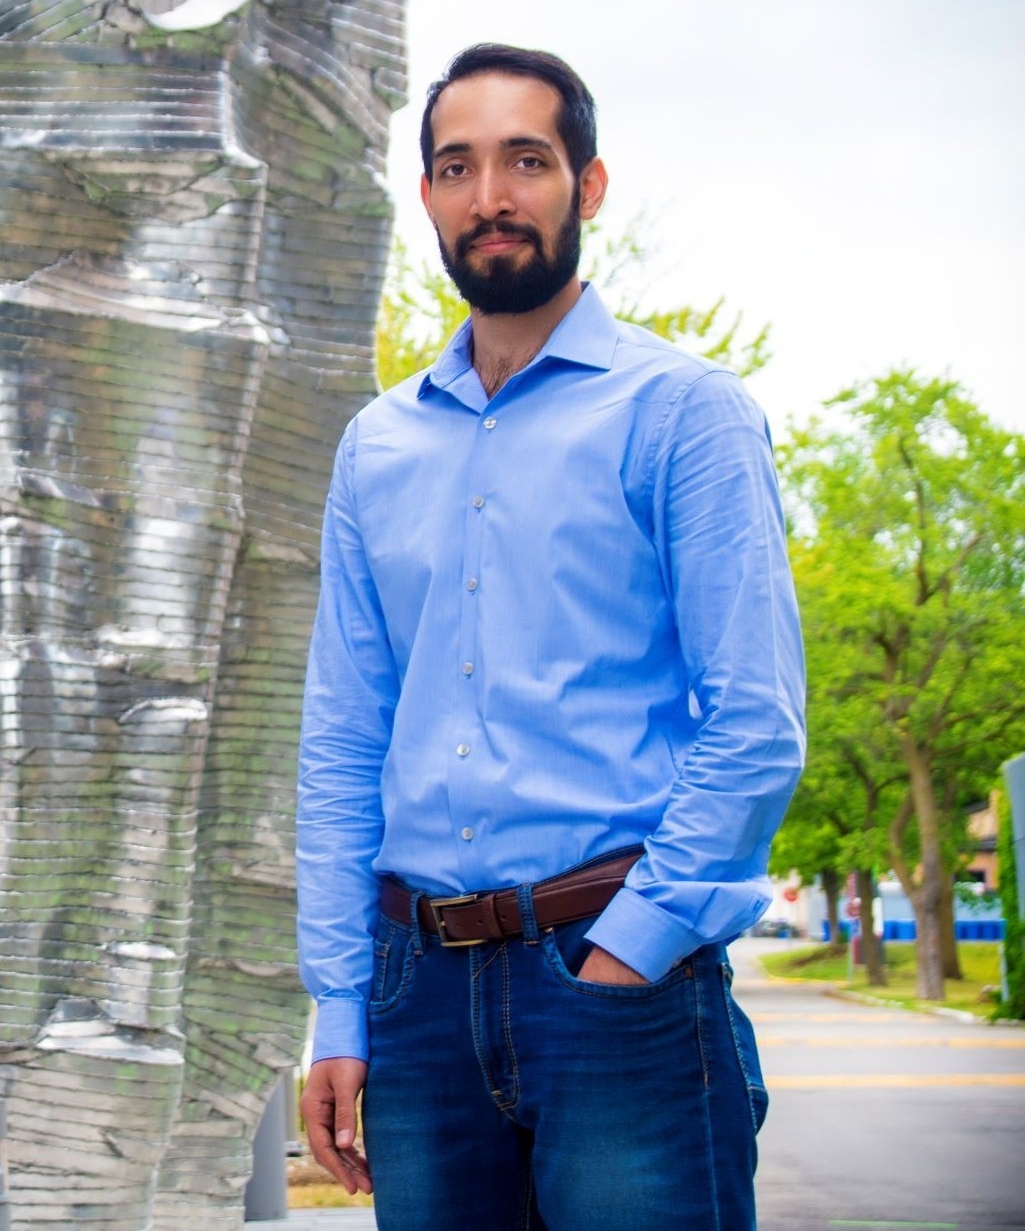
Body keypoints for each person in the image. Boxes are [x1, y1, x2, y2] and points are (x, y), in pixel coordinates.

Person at [294, 44, 804, 1230]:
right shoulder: (374, 448)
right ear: (424, 195)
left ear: (588, 183)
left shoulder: (684, 416)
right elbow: (340, 740)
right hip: (415, 998)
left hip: (618, 981)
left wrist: (633, 946)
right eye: (456, 166)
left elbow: (754, 721)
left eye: (526, 159)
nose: (490, 197)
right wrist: (339, 1000)